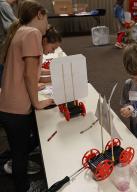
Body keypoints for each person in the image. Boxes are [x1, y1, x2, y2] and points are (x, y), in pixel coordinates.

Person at [0, 1, 54, 191]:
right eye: (46, 19)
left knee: (19, 151)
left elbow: (30, 72)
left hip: (8, 105)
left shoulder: (20, 31)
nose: (47, 25)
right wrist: (38, 103)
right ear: (40, 14)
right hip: (16, 108)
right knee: (20, 155)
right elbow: (29, 75)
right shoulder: (33, 34)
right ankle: (25, 189)